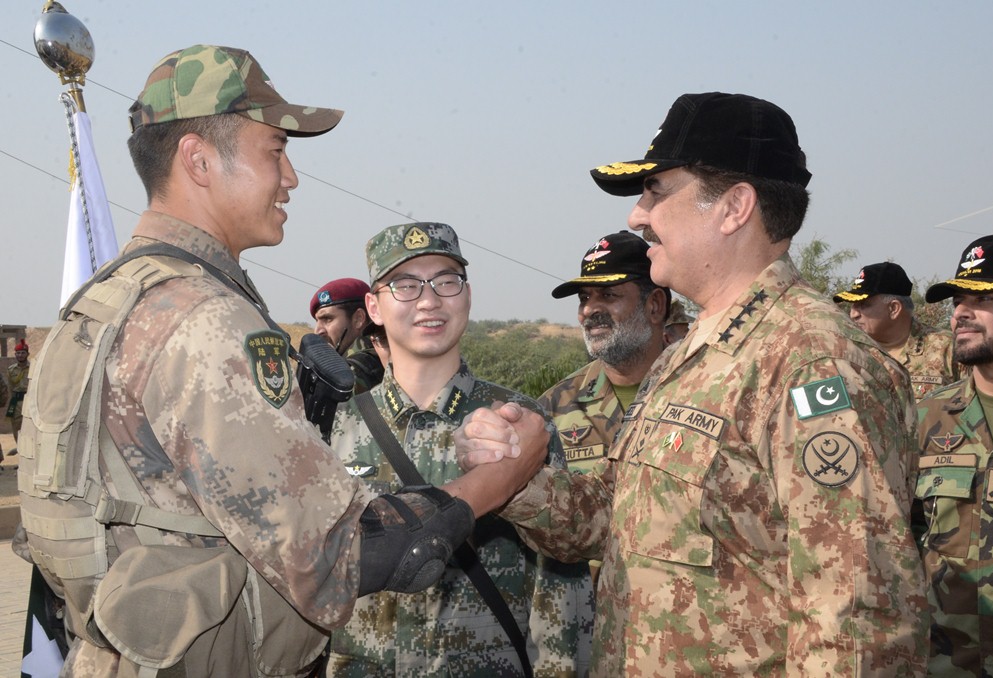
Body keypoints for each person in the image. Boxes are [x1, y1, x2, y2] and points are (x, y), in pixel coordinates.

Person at [16, 45, 543, 677]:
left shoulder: (101, 302)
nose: (290, 177)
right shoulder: (204, 318)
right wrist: (500, 480)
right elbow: (338, 553)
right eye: (275, 151)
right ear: (199, 159)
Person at [455, 92, 929, 675]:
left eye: (655, 191)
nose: (637, 214)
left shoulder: (814, 363)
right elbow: (616, 520)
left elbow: (858, 621)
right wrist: (518, 474)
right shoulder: (695, 353)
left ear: (733, 207)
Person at [326, 222, 593, 676]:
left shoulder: (520, 421)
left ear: (467, 295)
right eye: (405, 285)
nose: (429, 301)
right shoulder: (336, 427)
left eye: (446, 281)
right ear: (373, 306)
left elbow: (560, 582)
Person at [914, 232, 993, 676]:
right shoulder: (924, 418)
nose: (961, 311)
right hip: (945, 662)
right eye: (958, 298)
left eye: (986, 297)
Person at [541, 230, 668, 474]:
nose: (588, 309)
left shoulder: (705, 391)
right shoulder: (552, 409)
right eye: (584, 297)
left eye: (608, 294)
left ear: (654, 305)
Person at [833, 261, 960, 400]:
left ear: (893, 309)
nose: (853, 314)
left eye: (864, 305)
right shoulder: (848, 352)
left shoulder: (947, 348)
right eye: (852, 306)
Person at [298, 277, 383, 441]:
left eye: (327, 319)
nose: (318, 331)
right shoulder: (388, 357)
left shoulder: (351, 374)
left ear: (358, 318)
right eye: (317, 321)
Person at [6, 339, 29, 447]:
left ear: (27, 354)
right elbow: (10, 388)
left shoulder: (33, 367)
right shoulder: (11, 370)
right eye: (18, 353)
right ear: (15, 354)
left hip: (29, 401)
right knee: (16, 428)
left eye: (23, 353)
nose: (20, 355)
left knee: (30, 428)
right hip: (16, 402)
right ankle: (20, 451)